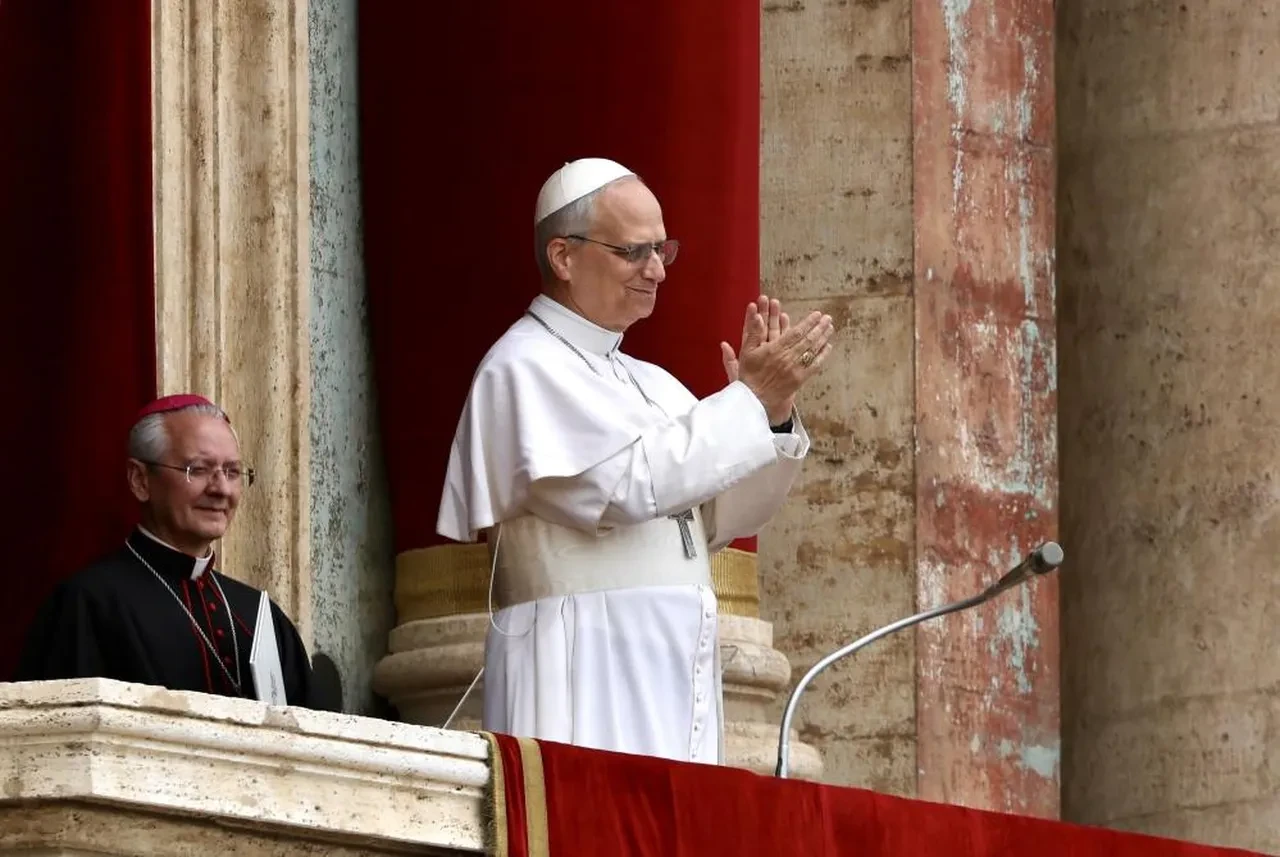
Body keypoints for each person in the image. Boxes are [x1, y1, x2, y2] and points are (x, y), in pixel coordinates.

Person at [438, 157, 834, 763]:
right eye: (633, 252)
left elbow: (724, 518)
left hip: (674, 665)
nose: (656, 270)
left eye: (662, 251)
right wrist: (744, 403)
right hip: (584, 660)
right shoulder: (521, 368)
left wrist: (772, 413)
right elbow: (627, 488)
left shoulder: (653, 383)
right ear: (564, 257)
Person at [16, 394, 318, 707]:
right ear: (140, 481)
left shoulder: (259, 616)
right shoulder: (88, 605)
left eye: (232, 471)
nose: (221, 489)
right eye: (198, 469)